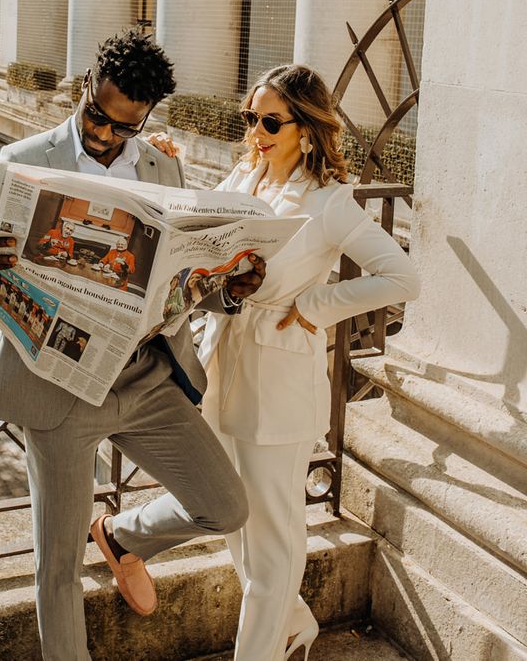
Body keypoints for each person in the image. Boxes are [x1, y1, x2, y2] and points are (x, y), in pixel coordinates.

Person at [0, 29, 266, 661]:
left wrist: (229, 287)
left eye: (124, 128)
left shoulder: (163, 166)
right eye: (97, 115)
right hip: (57, 390)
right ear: (88, 84)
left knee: (227, 506)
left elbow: (178, 287)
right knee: (58, 569)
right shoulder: (21, 161)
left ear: (145, 117)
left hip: (146, 380)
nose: (103, 135)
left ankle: (121, 536)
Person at [150, 64, 420, 660]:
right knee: (233, 521)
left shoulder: (329, 203)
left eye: (270, 120)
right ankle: (294, 622)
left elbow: (403, 276)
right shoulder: (244, 176)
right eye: (250, 117)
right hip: (219, 368)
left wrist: (316, 304)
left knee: (272, 542)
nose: (256, 130)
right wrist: (173, 172)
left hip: (278, 384)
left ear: (307, 126)